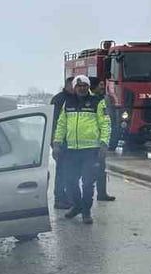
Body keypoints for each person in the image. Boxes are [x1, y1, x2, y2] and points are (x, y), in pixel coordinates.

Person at [52, 75, 109, 224]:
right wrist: (57, 143)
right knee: (70, 181)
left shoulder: (97, 102)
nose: (81, 88)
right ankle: (77, 205)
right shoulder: (68, 102)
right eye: (78, 86)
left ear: (88, 87)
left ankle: (86, 212)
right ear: (74, 88)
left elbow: (105, 124)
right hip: (71, 150)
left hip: (91, 150)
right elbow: (61, 125)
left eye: (84, 85)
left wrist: (104, 144)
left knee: (88, 183)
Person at [50, 80, 77, 209]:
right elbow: (54, 122)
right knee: (62, 170)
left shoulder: (74, 99)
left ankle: (66, 196)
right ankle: (59, 198)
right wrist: (55, 143)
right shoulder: (59, 100)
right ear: (67, 86)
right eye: (73, 85)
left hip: (71, 141)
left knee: (70, 171)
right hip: (61, 141)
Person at [90, 80, 116, 201]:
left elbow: (105, 122)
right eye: (100, 85)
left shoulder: (102, 100)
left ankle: (101, 193)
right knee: (87, 173)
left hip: (98, 142)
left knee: (100, 168)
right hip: (88, 144)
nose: (102, 87)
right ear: (93, 87)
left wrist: (104, 142)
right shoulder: (91, 101)